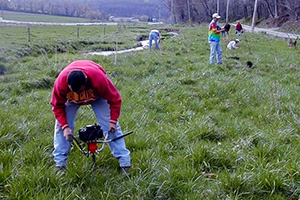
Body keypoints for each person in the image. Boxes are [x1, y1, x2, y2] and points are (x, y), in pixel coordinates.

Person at [50, 60, 131, 173]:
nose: (78, 95)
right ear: (67, 84)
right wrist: (65, 127)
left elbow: (115, 99)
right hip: (70, 100)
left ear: (85, 83)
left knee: (111, 127)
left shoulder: (98, 79)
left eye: (79, 91)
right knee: (60, 128)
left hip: (97, 96)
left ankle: (125, 163)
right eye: (73, 91)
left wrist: (113, 120)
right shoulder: (60, 83)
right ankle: (60, 164)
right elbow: (57, 106)